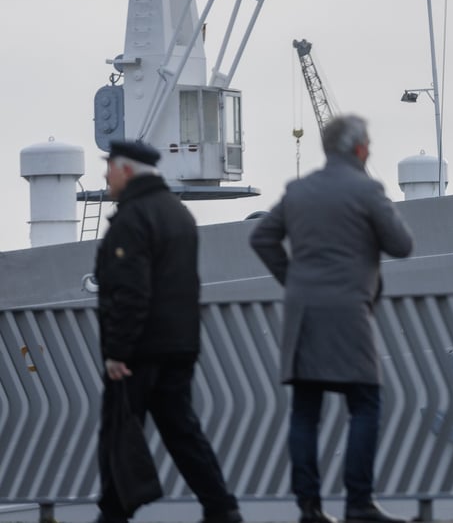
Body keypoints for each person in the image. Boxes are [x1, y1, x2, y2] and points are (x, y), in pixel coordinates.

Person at [249, 115, 414, 523]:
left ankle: (309, 508)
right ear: (358, 148)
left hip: (302, 314)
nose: (370, 149)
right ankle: (358, 503)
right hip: (348, 314)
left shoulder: (299, 190)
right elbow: (401, 245)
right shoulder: (367, 189)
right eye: (369, 143)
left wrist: (293, 280)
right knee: (366, 404)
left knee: (305, 411)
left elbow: (261, 237)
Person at [94, 140, 241, 523]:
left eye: (109, 168)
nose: (106, 176)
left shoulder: (132, 218)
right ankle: (221, 507)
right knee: (181, 431)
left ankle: (112, 514)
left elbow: (131, 290)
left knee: (119, 429)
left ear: (125, 170)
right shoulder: (178, 213)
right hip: (180, 345)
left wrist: (118, 350)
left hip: (140, 349)